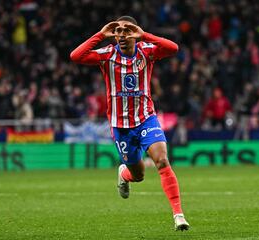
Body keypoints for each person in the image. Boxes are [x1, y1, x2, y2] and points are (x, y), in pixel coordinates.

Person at [70, 16, 189, 231]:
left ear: (134, 32)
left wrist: (144, 34)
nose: (122, 35)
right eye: (118, 31)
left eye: (127, 31)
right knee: (138, 175)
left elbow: (173, 48)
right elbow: (76, 56)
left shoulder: (146, 51)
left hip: (146, 118)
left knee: (162, 160)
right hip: (121, 126)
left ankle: (178, 215)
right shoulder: (107, 55)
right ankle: (124, 173)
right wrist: (101, 34)